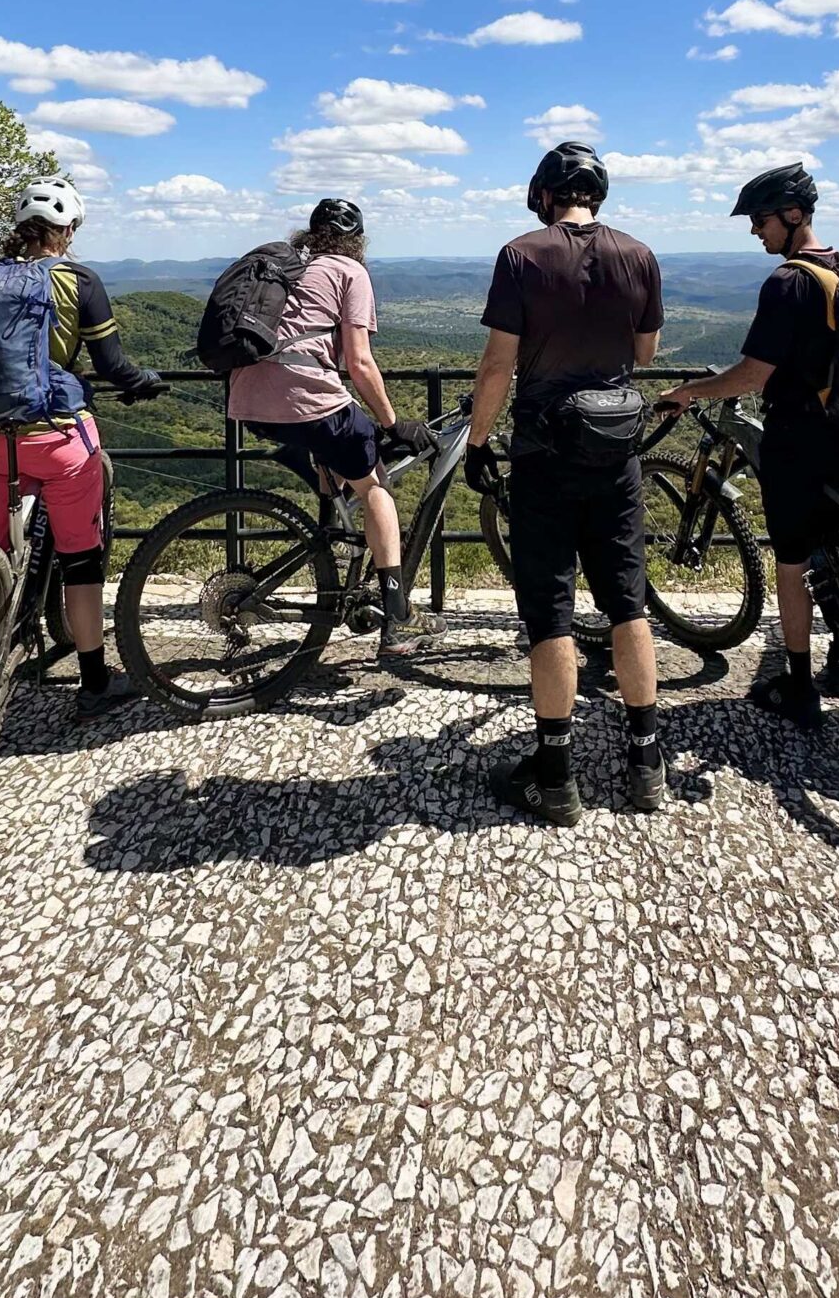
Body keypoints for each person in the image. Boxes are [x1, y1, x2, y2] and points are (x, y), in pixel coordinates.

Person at [464, 142, 666, 822]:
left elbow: (498, 366)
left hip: (544, 455)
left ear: (545, 195)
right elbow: (646, 353)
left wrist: (480, 442)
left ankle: (555, 777)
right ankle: (645, 764)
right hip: (617, 455)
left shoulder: (521, 255)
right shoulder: (639, 255)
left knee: (550, 613)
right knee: (627, 603)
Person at [657, 163, 839, 729]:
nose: (755, 232)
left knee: (793, 561)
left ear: (792, 216)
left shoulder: (788, 281)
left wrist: (688, 391)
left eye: (760, 220)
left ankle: (799, 685)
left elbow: (752, 373)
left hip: (798, 440)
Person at [0, 176, 163, 721]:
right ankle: (94, 681)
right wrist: (143, 380)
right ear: (67, 231)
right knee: (80, 557)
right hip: (58, 437)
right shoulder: (80, 280)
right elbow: (112, 365)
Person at [225, 198, 436, 656]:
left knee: (339, 454)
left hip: (247, 399)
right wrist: (395, 422)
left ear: (310, 233)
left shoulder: (289, 267)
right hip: (304, 398)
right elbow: (358, 362)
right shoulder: (349, 271)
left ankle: (336, 558)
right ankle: (398, 615)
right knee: (376, 486)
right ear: (356, 240)